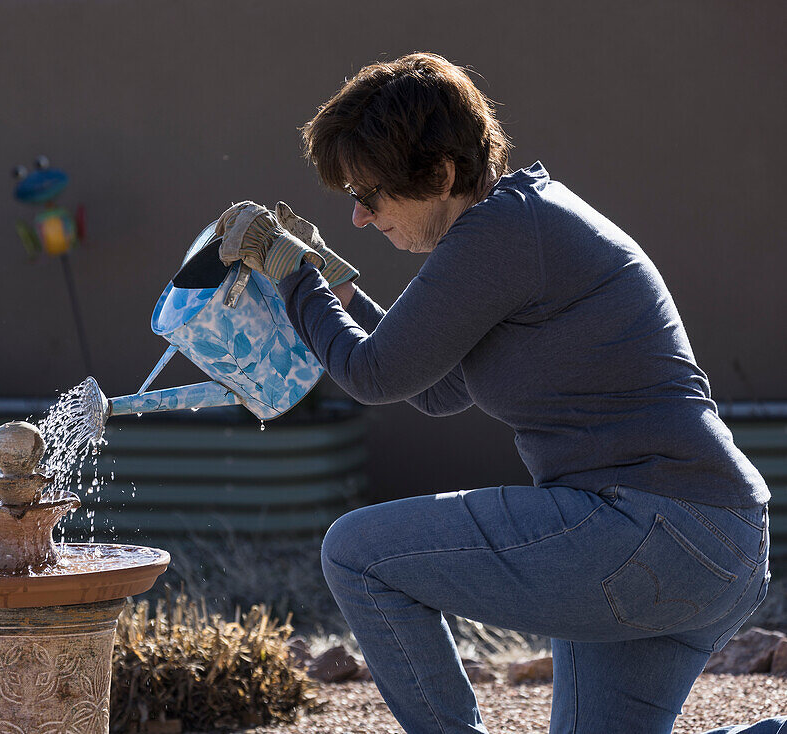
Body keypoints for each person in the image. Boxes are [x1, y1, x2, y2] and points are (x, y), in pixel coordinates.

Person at [213, 52, 783, 734]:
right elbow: (434, 389)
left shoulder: (503, 232)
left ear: (442, 173)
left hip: (648, 529)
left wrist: (292, 274)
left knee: (358, 555)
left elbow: (374, 374)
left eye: (371, 195)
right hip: (706, 539)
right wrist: (331, 286)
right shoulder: (519, 228)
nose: (361, 218)